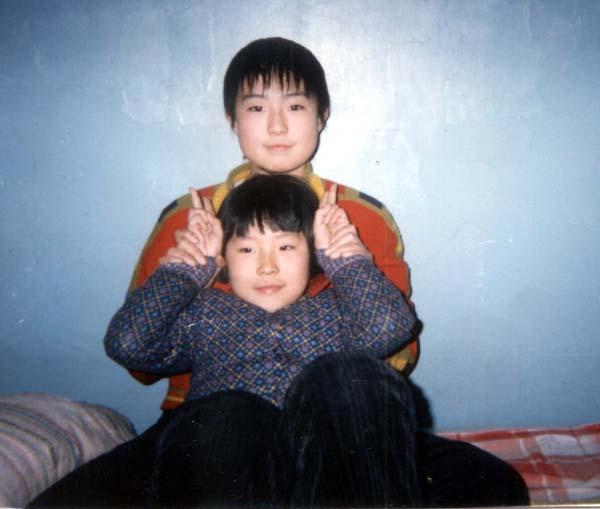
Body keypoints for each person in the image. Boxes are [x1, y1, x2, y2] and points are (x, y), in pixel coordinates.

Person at [29, 37, 529, 507]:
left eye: (294, 107)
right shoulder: (188, 219)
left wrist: (346, 266)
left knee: (490, 486)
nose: (276, 127)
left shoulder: (360, 217)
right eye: (255, 108)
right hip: (208, 431)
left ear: (321, 115)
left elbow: (394, 352)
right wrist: (185, 273)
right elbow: (139, 357)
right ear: (232, 119)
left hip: (339, 427)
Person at [105, 174, 420, 506]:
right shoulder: (203, 313)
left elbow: (389, 328)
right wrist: (185, 271)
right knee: (229, 412)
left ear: (313, 255)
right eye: (246, 248)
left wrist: (346, 261)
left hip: (321, 462)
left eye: (285, 247)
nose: (266, 266)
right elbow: (129, 343)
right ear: (223, 260)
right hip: (227, 461)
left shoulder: (338, 310)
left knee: (351, 375)